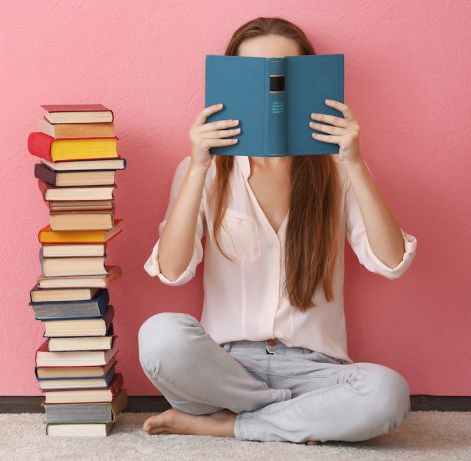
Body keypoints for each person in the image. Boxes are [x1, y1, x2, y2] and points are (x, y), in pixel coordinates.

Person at [138, 17, 418, 444]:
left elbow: (391, 261)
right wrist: (197, 166)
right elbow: (174, 270)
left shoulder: (337, 170)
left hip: (315, 370)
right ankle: (290, 417)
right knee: (159, 336)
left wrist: (354, 162)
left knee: (387, 393)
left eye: (286, 73)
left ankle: (230, 424)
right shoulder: (206, 171)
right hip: (222, 370)